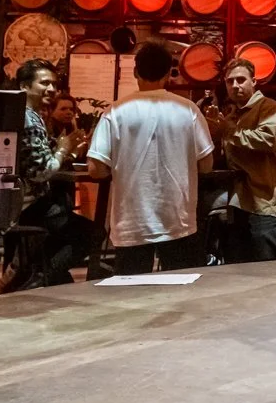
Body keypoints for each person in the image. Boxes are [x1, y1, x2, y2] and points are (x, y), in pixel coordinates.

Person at [86, 43, 215, 275]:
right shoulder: (189, 110)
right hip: (178, 219)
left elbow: (95, 168)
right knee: (183, 288)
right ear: (168, 74)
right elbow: (206, 165)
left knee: (133, 292)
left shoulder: (115, 112)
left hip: (132, 221)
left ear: (135, 72)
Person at [4, 59, 99, 291]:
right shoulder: (30, 119)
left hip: (19, 203)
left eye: (54, 84)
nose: (51, 89)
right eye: (44, 83)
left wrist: (65, 151)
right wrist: (64, 149)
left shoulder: (23, 114)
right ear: (24, 86)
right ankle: (38, 278)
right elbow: (41, 171)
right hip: (29, 206)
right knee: (92, 233)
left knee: (65, 224)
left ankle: (33, 274)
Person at [205, 58, 276, 261]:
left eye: (241, 80)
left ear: (254, 81)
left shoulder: (268, 108)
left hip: (264, 202)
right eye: (230, 81)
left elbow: (267, 140)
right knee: (241, 268)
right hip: (238, 202)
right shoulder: (232, 116)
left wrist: (227, 130)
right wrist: (213, 132)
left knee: (268, 266)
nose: (235, 85)